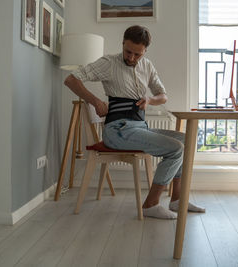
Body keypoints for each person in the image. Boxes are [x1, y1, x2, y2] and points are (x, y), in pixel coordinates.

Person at [64, 25, 205, 219]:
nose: (131, 57)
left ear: (145, 51)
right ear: (122, 44)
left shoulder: (147, 65)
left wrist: (150, 100)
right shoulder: (109, 63)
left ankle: (176, 200)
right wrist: (94, 100)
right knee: (176, 148)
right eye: (128, 51)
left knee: (187, 141)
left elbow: (162, 95)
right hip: (117, 130)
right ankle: (150, 204)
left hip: (139, 128)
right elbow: (71, 79)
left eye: (137, 54)